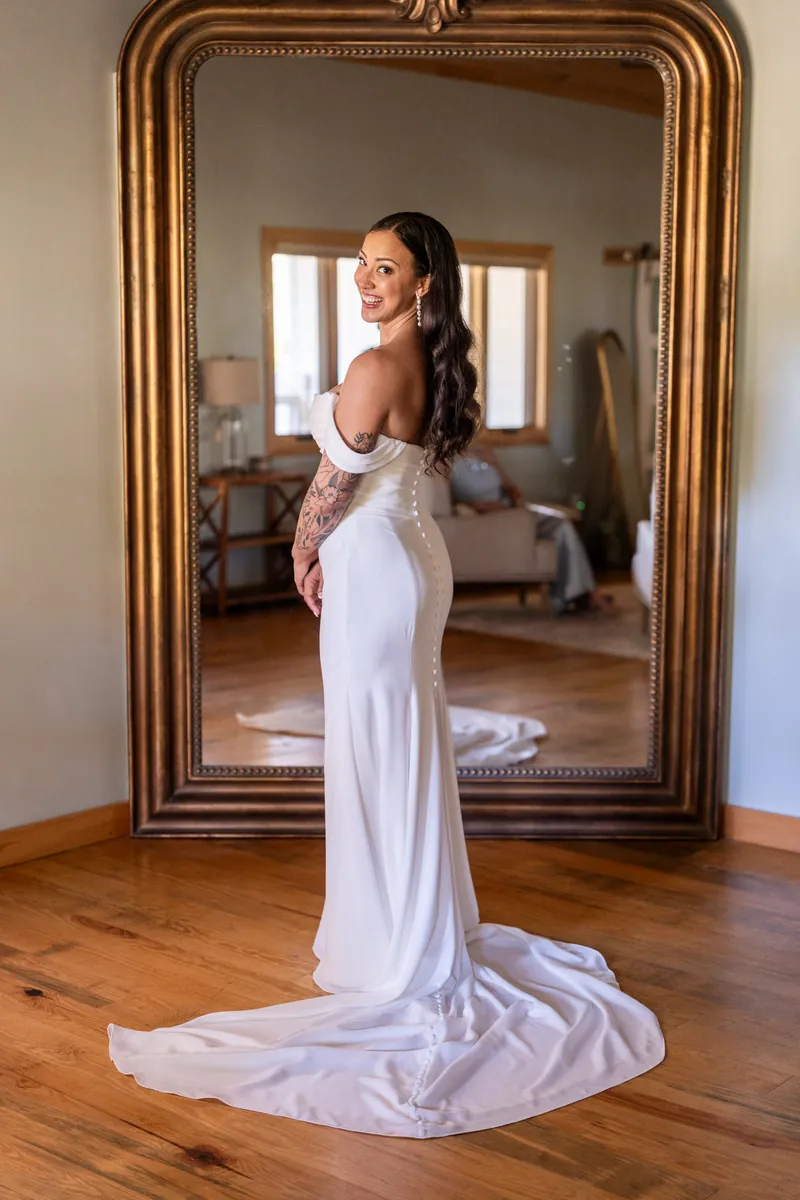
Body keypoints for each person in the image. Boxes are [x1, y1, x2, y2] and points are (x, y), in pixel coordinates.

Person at [107, 212, 664, 1138]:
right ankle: (398, 927)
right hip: (411, 554)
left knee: (377, 748)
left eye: (385, 268)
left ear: (424, 282)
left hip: (373, 564)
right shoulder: (432, 363)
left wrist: (299, 552)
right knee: (396, 744)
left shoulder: (375, 367)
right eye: (360, 265)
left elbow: (330, 488)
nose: (364, 280)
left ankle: (394, 946)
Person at [450, 445, 617, 614]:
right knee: (561, 526)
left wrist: (497, 469)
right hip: (494, 519)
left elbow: (512, 489)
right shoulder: (448, 461)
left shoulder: (483, 453)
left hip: (511, 511)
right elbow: (455, 500)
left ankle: (574, 596)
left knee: (562, 528)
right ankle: (583, 595)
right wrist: (481, 506)